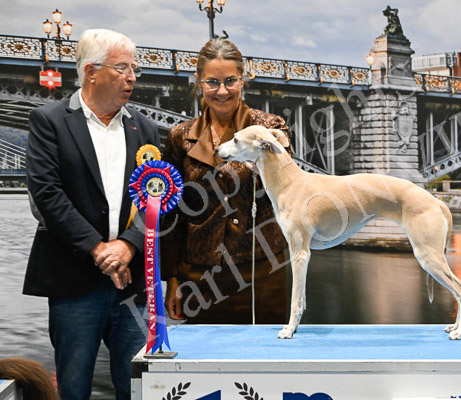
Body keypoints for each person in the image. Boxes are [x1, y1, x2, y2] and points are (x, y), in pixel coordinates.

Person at [24, 29, 160, 400]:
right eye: (122, 68)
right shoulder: (49, 121)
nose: (132, 77)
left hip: (133, 282)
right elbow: (47, 195)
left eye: (134, 69)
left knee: (138, 387)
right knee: (73, 388)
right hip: (73, 282)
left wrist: (128, 246)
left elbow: (158, 197)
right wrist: (99, 249)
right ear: (91, 72)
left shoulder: (145, 129)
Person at [161, 38, 290, 324]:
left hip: (262, 273)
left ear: (243, 80)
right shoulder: (179, 137)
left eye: (230, 81)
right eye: (212, 82)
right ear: (199, 82)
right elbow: (173, 215)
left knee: (266, 351)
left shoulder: (270, 128)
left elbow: (286, 185)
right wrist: (171, 278)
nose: (222, 91)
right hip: (199, 278)